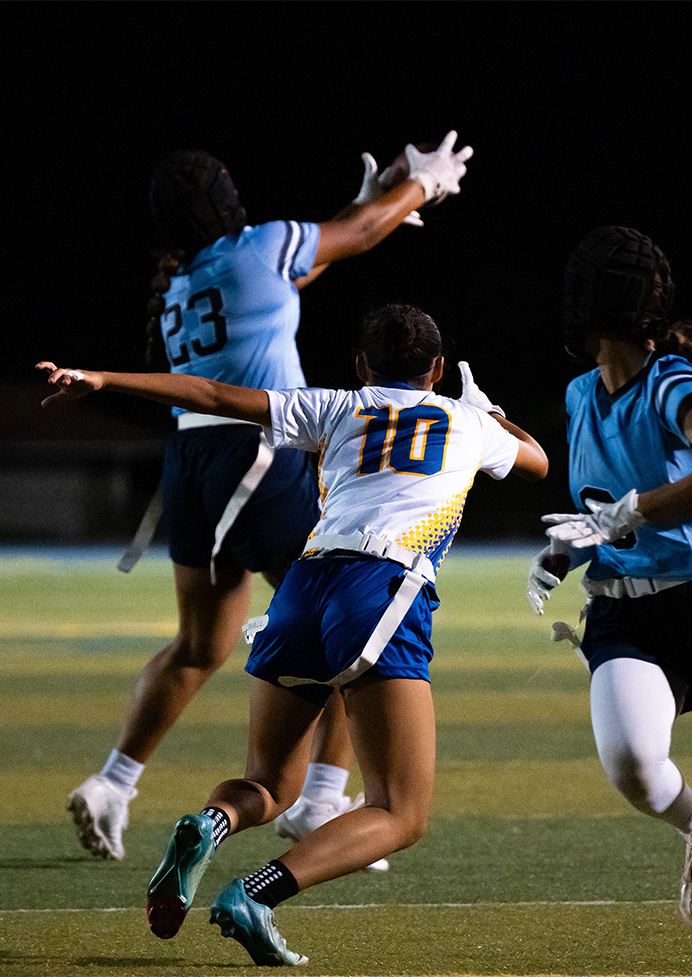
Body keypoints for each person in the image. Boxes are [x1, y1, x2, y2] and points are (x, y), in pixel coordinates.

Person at [37, 302, 548, 965]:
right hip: (381, 592)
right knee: (401, 811)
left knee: (268, 781)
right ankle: (258, 892)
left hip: (304, 587)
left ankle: (210, 823)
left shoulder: (338, 405)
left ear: (362, 365)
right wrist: (488, 409)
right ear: (439, 369)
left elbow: (215, 394)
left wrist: (103, 378)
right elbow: (536, 458)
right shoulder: (469, 423)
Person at [66, 134, 474, 864]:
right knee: (353, 606)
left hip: (191, 459)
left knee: (203, 642)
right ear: (228, 202)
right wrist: (424, 186)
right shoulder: (256, 247)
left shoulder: (185, 282)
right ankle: (320, 799)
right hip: (257, 459)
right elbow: (356, 239)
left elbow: (310, 264)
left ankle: (113, 781)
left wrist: (366, 203)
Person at [527, 225, 692, 932]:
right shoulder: (580, 394)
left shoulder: (671, 382)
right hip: (624, 606)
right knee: (635, 767)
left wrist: (635, 509)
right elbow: (605, 510)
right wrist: (570, 548)